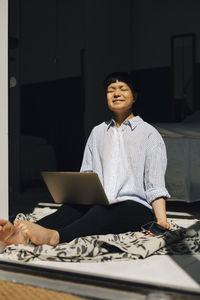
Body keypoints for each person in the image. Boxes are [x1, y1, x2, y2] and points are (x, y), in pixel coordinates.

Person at [0, 72, 170, 247]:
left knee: (100, 212)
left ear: (134, 96)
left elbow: (155, 185)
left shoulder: (149, 134)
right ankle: (20, 234)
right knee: (71, 210)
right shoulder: (97, 132)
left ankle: (55, 237)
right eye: (111, 90)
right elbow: (87, 174)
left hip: (135, 206)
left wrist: (161, 220)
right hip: (100, 201)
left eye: (123, 89)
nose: (116, 94)